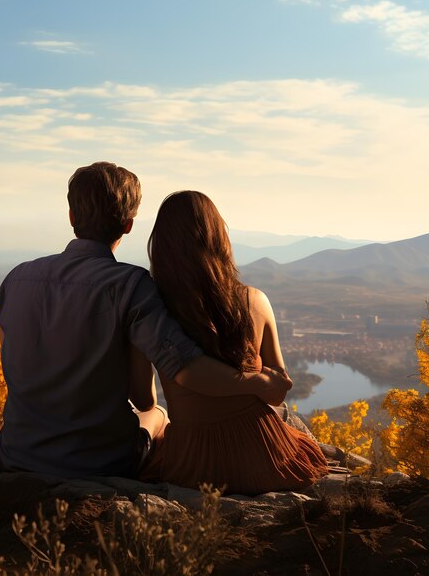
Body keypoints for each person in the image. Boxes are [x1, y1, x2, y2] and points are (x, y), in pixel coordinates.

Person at [0, 163, 292, 479]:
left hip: (18, 455)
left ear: (71, 216)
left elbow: (12, 362)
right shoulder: (130, 285)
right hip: (97, 463)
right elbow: (179, 374)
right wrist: (259, 382)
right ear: (128, 225)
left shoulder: (16, 279)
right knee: (157, 415)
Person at [140, 191, 328, 495]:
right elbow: (278, 393)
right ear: (218, 239)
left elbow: (143, 396)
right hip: (265, 456)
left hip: (192, 464)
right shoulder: (255, 301)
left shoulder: (152, 311)